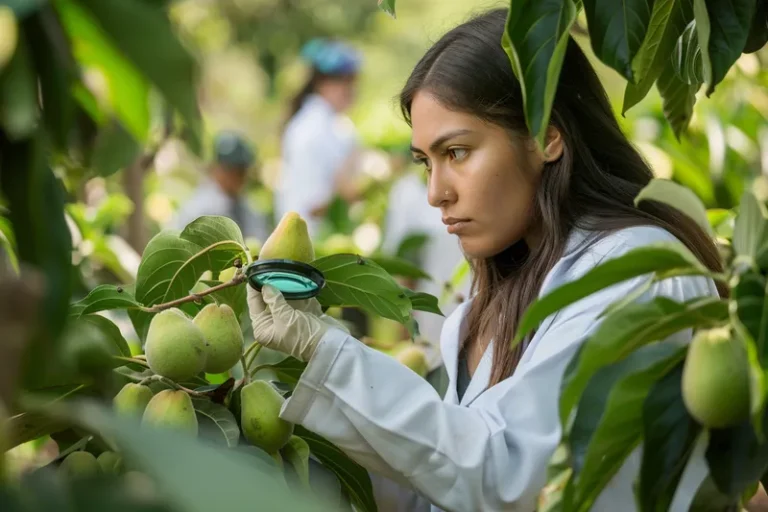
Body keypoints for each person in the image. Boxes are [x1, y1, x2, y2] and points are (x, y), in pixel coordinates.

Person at [246, 9, 724, 512]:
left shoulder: (637, 271)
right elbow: (439, 483)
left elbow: (507, 474)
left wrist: (331, 357)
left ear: (546, 137)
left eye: (456, 152)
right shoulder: (494, 297)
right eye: (425, 162)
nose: (436, 193)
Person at [274, 38, 365, 238]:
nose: (351, 90)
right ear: (322, 83)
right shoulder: (311, 130)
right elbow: (313, 203)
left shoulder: (334, 125)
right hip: (311, 240)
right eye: (345, 82)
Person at [171, 131, 269, 240]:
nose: (236, 176)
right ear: (215, 167)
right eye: (230, 169)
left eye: (241, 170)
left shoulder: (249, 209)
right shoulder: (198, 210)